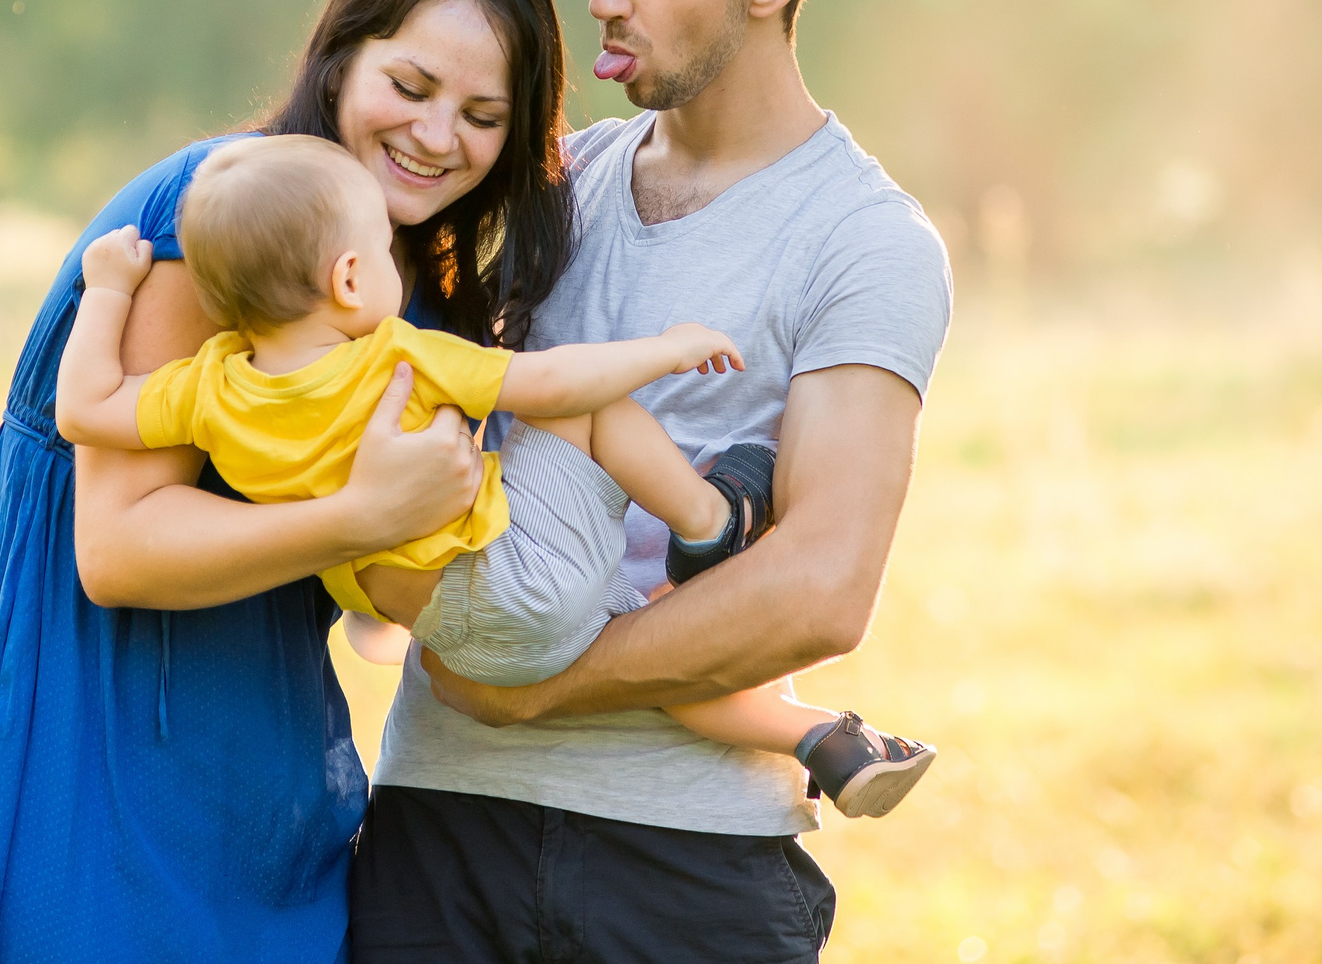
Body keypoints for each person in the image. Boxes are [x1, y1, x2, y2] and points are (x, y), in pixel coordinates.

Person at [0, 0, 574, 963]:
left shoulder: (392, 270)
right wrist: (360, 512)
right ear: (341, 58)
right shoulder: (226, 223)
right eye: (410, 86)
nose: (436, 135)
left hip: (260, 747)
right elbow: (117, 547)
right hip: (95, 726)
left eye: (482, 114)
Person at [351, 0, 955, 963]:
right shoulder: (536, 184)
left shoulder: (862, 240)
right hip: (438, 825)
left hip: (682, 863)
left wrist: (533, 689)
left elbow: (821, 585)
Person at [54, 135, 936, 817]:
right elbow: (546, 382)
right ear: (351, 276)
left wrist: (105, 288)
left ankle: (823, 739)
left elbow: (85, 410)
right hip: (506, 574)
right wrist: (666, 348)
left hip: (452, 634)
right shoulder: (389, 355)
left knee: (645, 635)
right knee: (569, 408)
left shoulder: (210, 388)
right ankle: (709, 519)